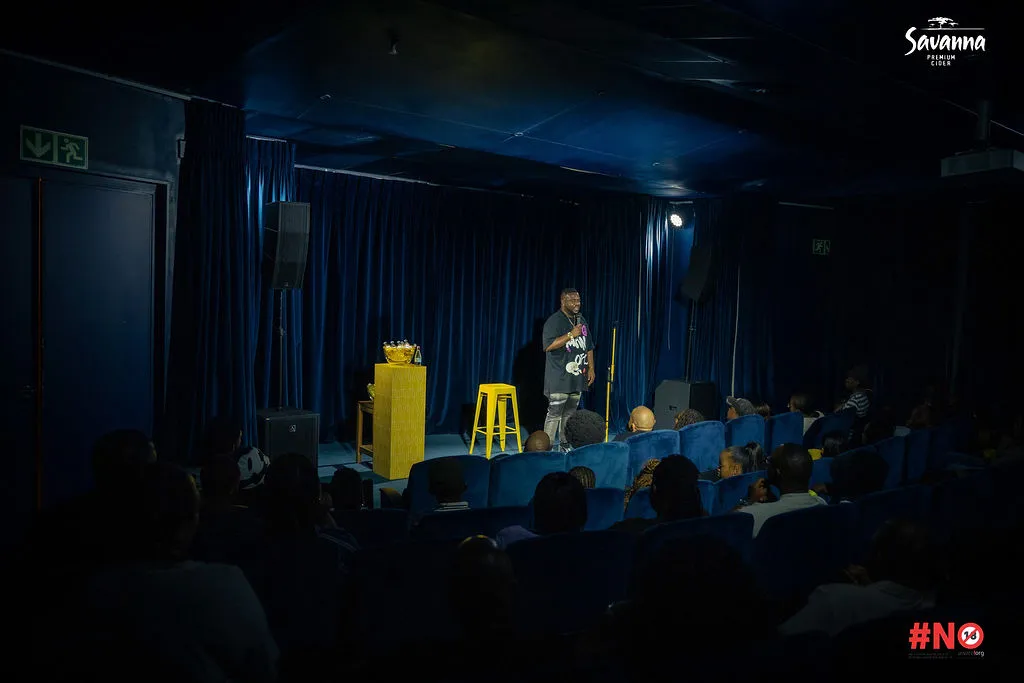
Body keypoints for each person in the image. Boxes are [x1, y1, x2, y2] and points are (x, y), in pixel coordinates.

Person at [541, 288, 595, 447]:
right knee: (554, 414)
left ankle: (565, 445)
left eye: (578, 300)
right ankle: (546, 449)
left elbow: (589, 346)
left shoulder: (581, 320)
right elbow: (548, 346)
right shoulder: (554, 321)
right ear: (563, 301)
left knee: (570, 414)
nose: (577, 303)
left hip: (576, 378)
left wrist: (591, 368)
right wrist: (571, 335)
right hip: (559, 377)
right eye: (572, 300)